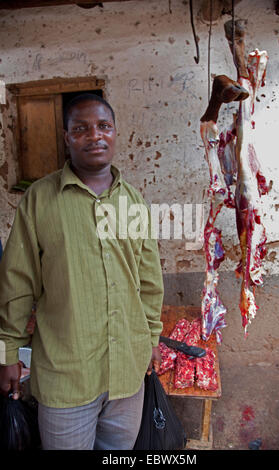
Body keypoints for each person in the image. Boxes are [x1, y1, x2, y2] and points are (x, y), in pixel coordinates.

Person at [0, 94, 164, 450]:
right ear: (66, 138)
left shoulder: (133, 203)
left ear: (116, 133)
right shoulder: (39, 201)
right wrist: (6, 354)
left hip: (127, 377)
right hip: (67, 377)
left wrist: (152, 339)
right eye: (81, 129)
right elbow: (16, 284)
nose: (95, 136)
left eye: (104, 126)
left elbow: (150, 283)